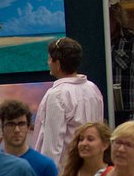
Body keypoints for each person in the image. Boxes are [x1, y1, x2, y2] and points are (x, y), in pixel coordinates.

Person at [34, 37, 104, 167]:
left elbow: (52, 145)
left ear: (58, 64)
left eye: (49, 59)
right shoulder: (93, 88)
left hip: (67, 171)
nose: (48, 62)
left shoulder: (57, 95)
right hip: (90, 166)